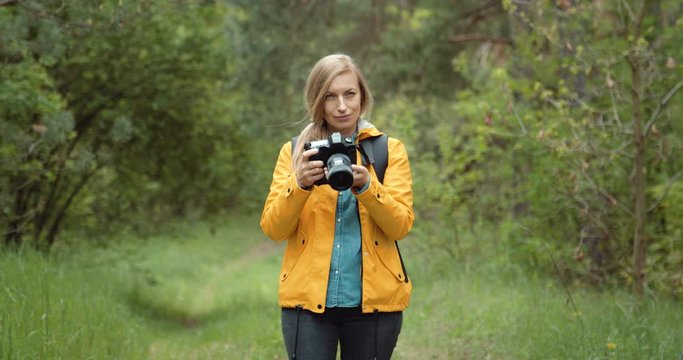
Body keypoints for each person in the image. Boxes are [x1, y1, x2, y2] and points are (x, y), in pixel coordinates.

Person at [260, 53, 414, 360]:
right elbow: (273, 229)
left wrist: (369, 188)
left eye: (349, 94)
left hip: (374, 306)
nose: (342, 106)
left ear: (362, 96)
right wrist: (300, 185)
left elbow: (401, 226)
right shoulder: (295, 153)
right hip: (307, 305)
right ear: (317, 100)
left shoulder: (386, 150)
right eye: (330, 96)